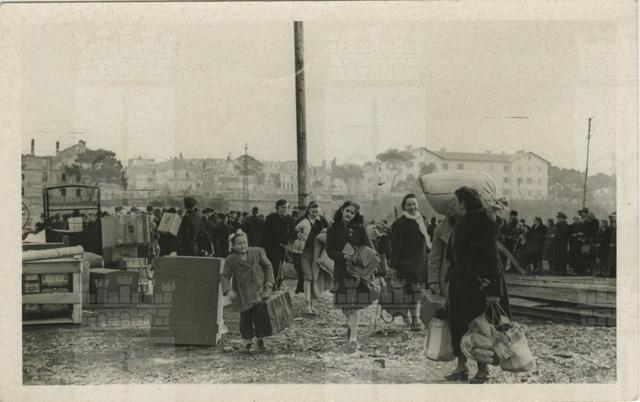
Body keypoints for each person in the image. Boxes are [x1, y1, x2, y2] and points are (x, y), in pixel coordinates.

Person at [446, 187, 510, 384]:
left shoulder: (480, 224)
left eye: (456, 201)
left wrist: (493, 291)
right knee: (459, 324)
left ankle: (483, 369)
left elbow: (492, 259)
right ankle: (461, 366)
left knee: (479, 329)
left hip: (479, 286)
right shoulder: (460, 223)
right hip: (462, 284)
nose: (454, 205)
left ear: (463, 203)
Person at [326, 200, 375, 354]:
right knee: (345, 305)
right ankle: (350, 325)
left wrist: (359, 256)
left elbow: (369, 247)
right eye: (347, 211)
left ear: (355, 215)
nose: (349, 214)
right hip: (341, 270)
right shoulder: (332, 229)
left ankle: (353, 338)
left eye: (352, 213)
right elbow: (329, 250)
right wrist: (343, 257)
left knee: (353, 305)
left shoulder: (359, 228)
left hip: (357, 272)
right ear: (342, 210)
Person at [221, 231, 275, 353]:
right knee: (245, 318)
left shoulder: (257, 252)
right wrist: (228, 290)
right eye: (239, 244)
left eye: (245, 242)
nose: (243, 246)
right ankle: (248, 341)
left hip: (259, 291)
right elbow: (225, 275)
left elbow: (268, 266)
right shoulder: (230, 259)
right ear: (233, 246)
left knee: (260, 317)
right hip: (243, 294)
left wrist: (269, 283)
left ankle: (261, 339)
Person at [390, 193, 429, 331]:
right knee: (412, 291)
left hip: (421, 261)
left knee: (416, 291)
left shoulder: (422, 219)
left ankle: (410, 317)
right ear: (404, 207)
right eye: (409, 205)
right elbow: (396, 246)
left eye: (414, 204)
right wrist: (393, 266)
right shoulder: (400, 223)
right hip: (406, 263)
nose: (412, 207)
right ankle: (414, 320)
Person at [293, 201, 330, 314]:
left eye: (317, 212)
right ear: (308, 210)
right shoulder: (301, 220)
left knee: (315, 277)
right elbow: (291, 232)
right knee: (307, 276)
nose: (315, 214)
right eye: (313, 212)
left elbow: (330, 232)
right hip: (304, 252)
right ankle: (307, 303)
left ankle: (313, 304)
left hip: (317, 253)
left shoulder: (322, 220)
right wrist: (297, 235)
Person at [263, 199, 292, 289]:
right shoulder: (270, 218)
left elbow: (291, 232)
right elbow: (265, 233)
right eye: (282, 207)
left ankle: (276, 285)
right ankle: (272, 285)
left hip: (283, 247)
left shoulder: (289, 218)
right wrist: (264, 247)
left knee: (280, 266)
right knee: (272, 266)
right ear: (277, 208)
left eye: (286, 208)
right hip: (271, 247)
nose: (284, 209)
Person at [608, 213, 616, 278]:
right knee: (612, 260)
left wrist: (614, 244)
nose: (613, 225)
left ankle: (614, 273)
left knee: (614, 260)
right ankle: (612, 273)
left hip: (615, 247)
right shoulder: (613, 230)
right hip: (613, 247)